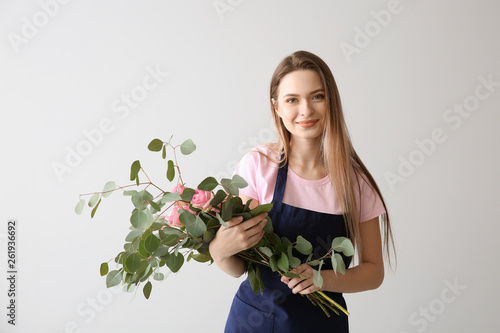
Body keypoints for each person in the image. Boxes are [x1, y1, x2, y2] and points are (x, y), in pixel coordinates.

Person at [209, 50, 395, 332]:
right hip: (253, 323)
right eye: (292, 100)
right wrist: (219, 251)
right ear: (277, 107)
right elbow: (241, 266)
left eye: (317, 96)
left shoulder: (355, 182)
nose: (306, 110)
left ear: (331, 101)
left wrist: (322, 279)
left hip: (322, 325)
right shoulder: (258, 166)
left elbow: (374, 272)